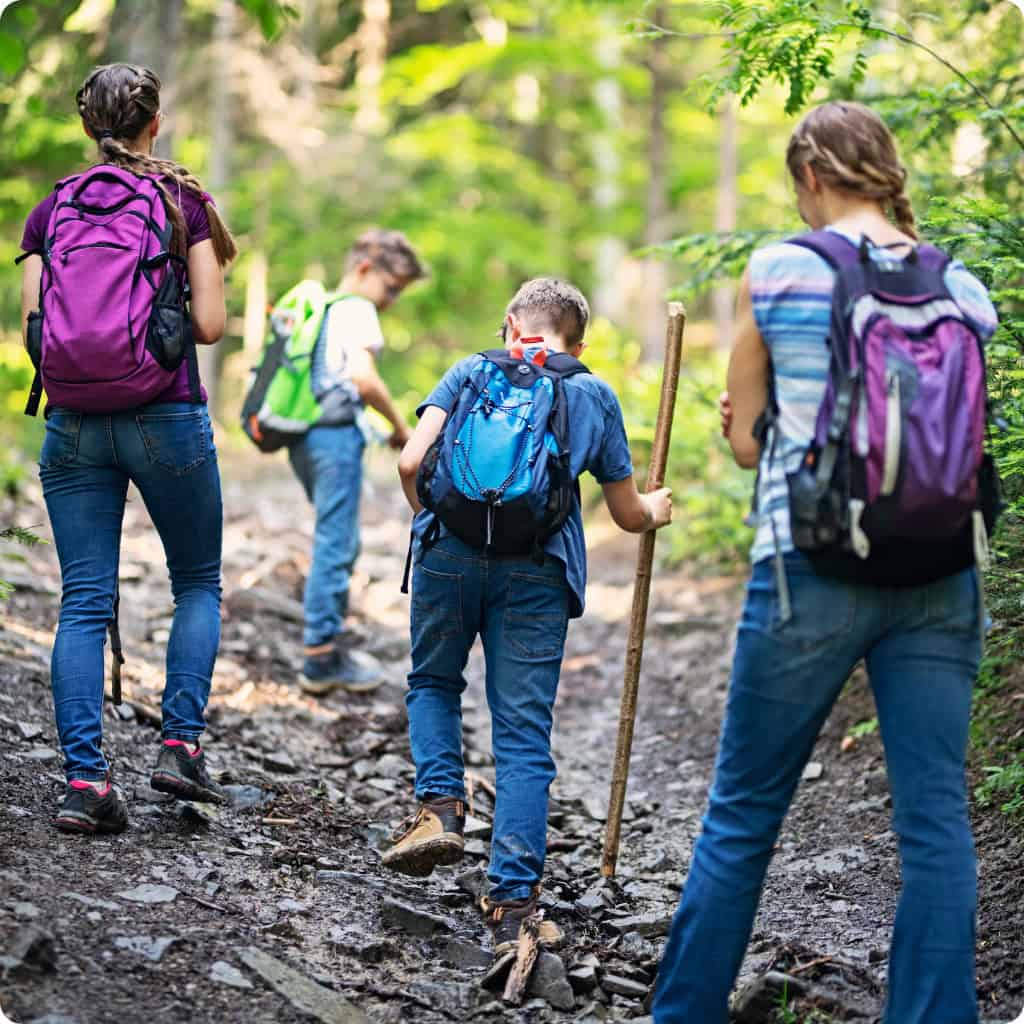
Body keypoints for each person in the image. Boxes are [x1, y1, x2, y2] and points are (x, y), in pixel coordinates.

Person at [652, 101, 999, 1024]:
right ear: (884, 170)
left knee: (743, 813)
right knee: (934, 823)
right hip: (941, 571)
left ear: (810, 176)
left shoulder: (779, 269)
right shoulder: (961, 287)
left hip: (809, 569)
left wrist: (748, 422)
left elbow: (748, 444)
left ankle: (683, 1014)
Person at [384, 277, 673, 954]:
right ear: (579, 338)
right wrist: (657, 509)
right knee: (522, 734)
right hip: (538, 572)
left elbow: (410, 459)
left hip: (446, 556)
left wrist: (434, 523)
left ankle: (441, 805)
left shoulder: (468, 372)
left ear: (512, 324)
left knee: (433, 682)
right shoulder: (593, 393)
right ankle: (511, 901)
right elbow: (628, 513)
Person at [18, 63, 236, 834]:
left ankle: (86, 784)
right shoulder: (184, 203)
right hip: (165, 415)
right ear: (156, 122)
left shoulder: (53, 210)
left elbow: (34, 328)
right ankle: (179, 745)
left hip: (72, 423)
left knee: (82, 602)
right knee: (198, 583)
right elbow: (208, 327)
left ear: (87, 126)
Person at [290, 229, 424, 695]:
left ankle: (324, 640)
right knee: (337, 542)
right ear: (366, 269)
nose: (390, 300)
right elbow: (363, 379)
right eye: (391, 288)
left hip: (305, 436)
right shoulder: (357, 309)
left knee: (333, 536)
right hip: (335, 438)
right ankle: (321, 656)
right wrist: (400, 426)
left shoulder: (324, 309)